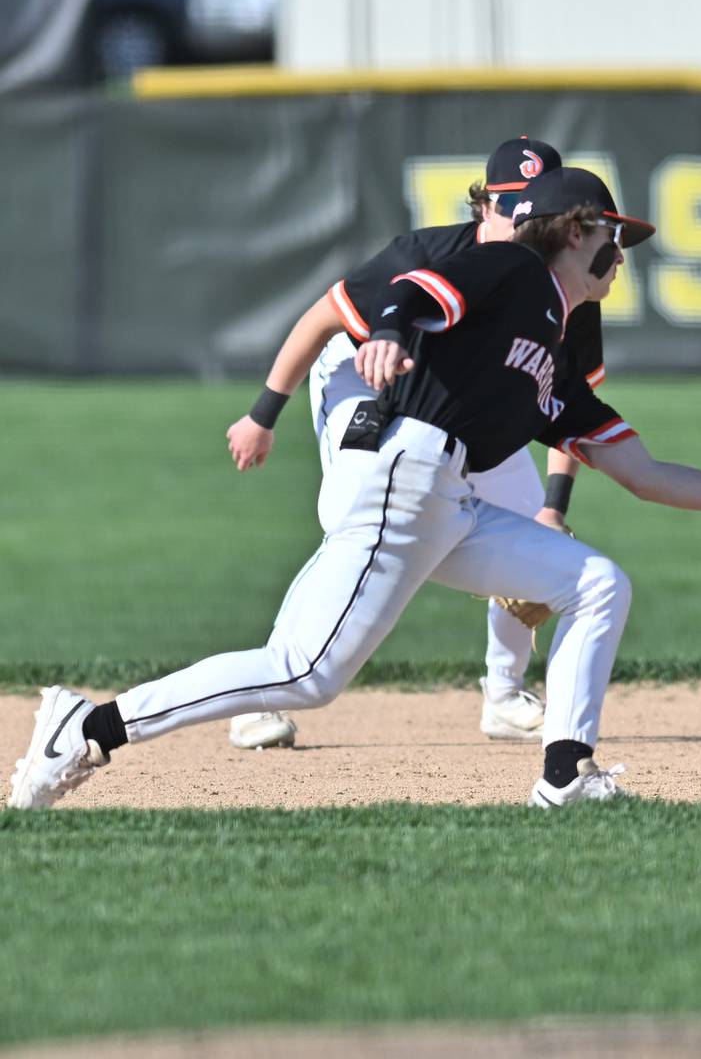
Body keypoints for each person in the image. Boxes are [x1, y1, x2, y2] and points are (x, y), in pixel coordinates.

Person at [9, 167, 701, 810]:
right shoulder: (516, 268)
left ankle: (566, 774)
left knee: (598, 584)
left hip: (448, 498)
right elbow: (419, 288)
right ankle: (91, 726)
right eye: (612, 235)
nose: (619, 254)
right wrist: (392, 328)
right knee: (303, 674)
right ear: (575, 229)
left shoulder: (555, 344)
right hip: (407, 476)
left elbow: (640, 472)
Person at [223, 137, 599, 750]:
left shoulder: (566, 284)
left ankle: (504, 696)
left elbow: (568, 411)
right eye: (508, 205)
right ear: (483, 207)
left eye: (533, 207)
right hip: (365, 374)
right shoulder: (427, 252)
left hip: (466, 399)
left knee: (529, 522)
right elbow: (325, 317)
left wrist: (554, 507)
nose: (518, 219)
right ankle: (262, 691)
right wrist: (263, 414)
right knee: (355, 513)